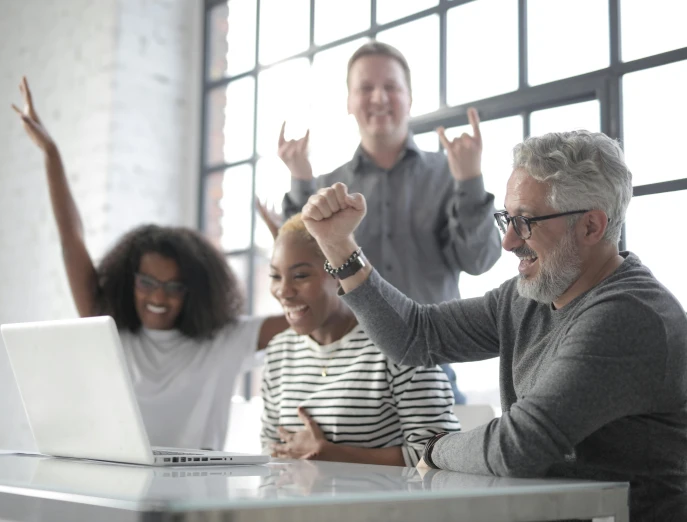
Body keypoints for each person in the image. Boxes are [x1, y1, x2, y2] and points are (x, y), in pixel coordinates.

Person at [299, 129, 687, 520]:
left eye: (526, 222)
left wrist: (434, 449)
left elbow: (517, 447)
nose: (508, 242)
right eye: (506, 219)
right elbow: (415, 336)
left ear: (591, 226)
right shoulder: (528, 298)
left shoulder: (627, 316)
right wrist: (338, 247)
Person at [11, 77, 288, 451]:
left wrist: (286, 240)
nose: (159, 296)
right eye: (148, 283)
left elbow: (305, 312)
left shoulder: (224, 341)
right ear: (130, 281)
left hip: (195, 503)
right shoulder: (109, 331)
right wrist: (52, 154)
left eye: (174, 287)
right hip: (119, 498)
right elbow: (71, 238)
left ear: (194, 292)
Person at [278, 42, 502, 402]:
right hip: (344, 370)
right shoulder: (326, 187)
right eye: (365, 88)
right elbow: (296, 269)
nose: (379, 97)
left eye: (392, 87)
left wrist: (471, 181)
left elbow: (478, 262)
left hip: (431, 366)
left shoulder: (450, 174)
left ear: (409, 98)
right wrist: (301, 182)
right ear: (349, 102)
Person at [260, 214, 458, 467]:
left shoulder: (399, 343)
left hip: (379, 506)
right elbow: (269, 450)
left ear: (339, 273)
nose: (284, 291)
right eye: (275, 277)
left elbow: (441, 455)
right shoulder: (279, 350)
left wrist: (336, 457)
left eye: (300, 276)